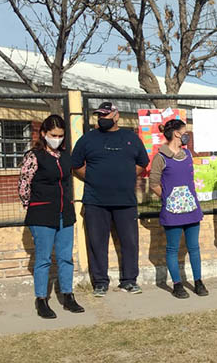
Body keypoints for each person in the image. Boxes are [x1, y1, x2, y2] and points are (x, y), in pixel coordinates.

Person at [72, 102, 149, 296]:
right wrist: (93, 177)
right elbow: (75, 165)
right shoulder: (87, 139)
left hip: (125, 200)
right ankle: (100, 282)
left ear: (116, 115)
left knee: (130, 242)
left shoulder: (131, 138)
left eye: (106, 114)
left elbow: (142, 162)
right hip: (95, 201)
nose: (102, 118)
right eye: (99, 115)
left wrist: (127, 176)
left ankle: (129, 280)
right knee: (97, 243)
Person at [18, 115, 83, 319]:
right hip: (42, 213)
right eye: (53, 135)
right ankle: (41, 299)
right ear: (44, 134)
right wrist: (33, 206)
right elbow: (24, 185)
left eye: (61, 135)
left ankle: (68, 296)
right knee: (43, 259)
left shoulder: (65, 155)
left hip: (65, 212)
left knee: (66, 257)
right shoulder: (33, 156)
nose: (57, 139)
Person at [149, 119, 207, 299]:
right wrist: (168, 198)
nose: (186, 134)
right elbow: (153, 183)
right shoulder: (161, 157)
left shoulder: (188, 154)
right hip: (172, 212)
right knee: (172, 248)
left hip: (191, 209)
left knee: (194, 247)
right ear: (176, 133)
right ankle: (177, 284)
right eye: (184, 131)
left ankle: (198, 282)